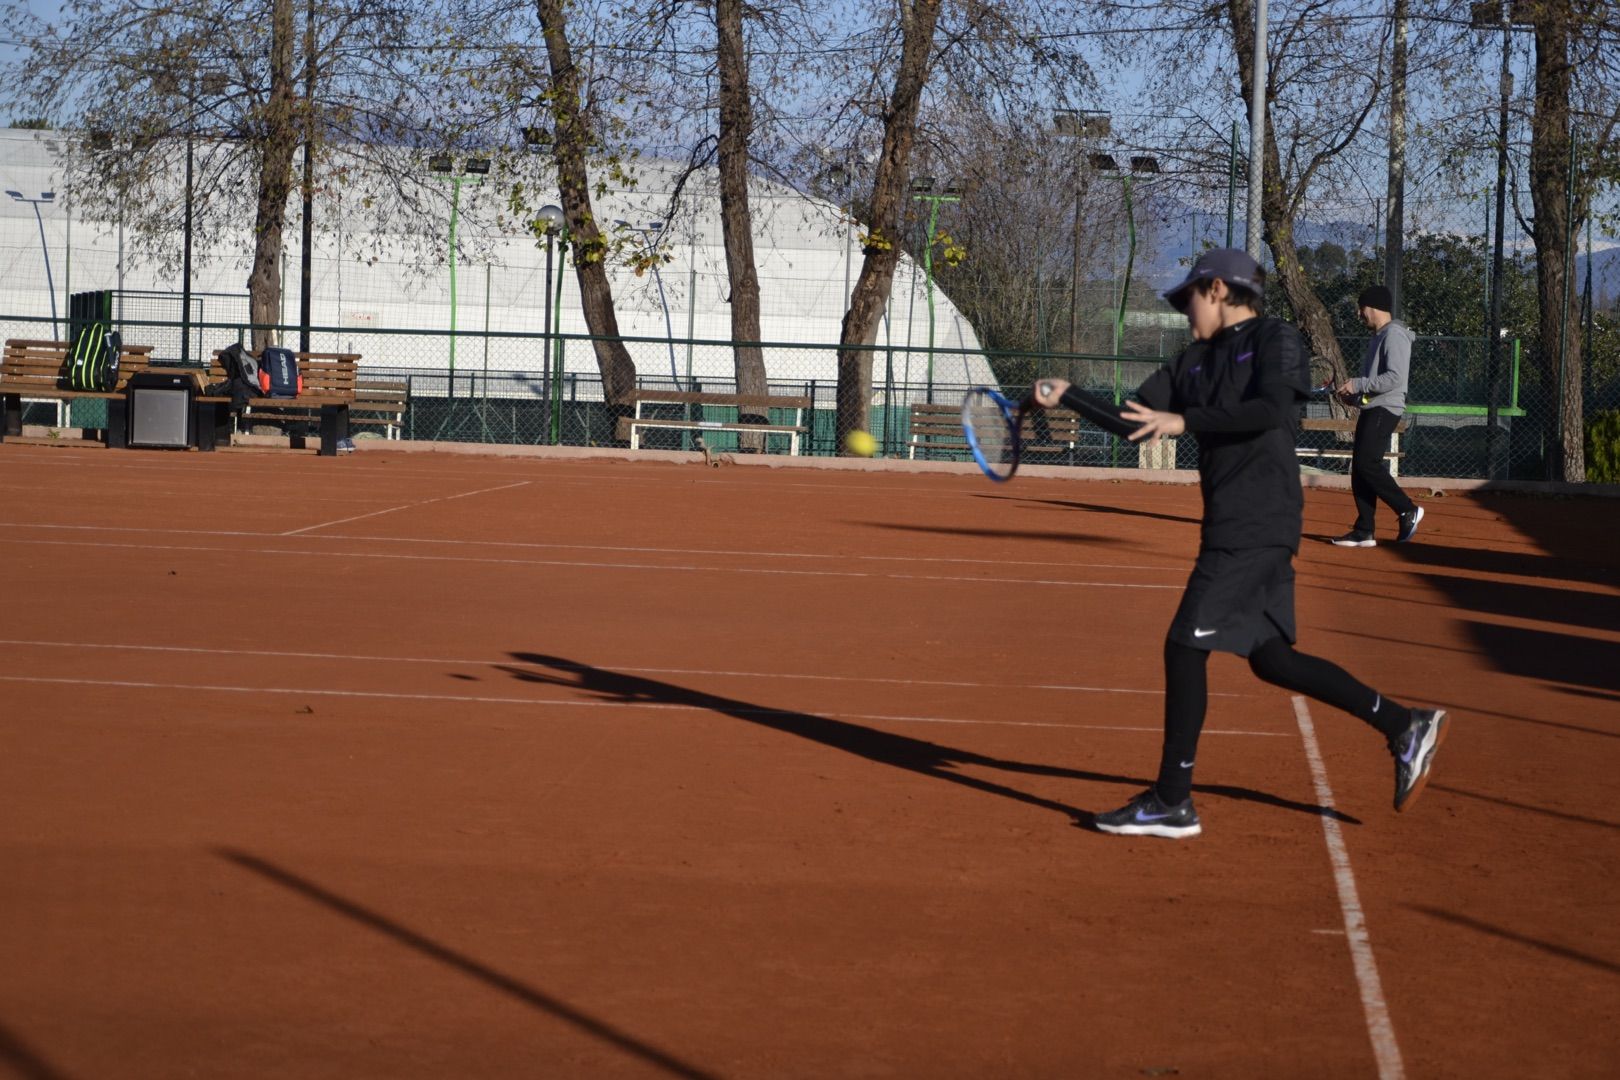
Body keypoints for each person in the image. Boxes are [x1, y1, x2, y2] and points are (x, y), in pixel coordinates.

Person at [1032, 249, 1448, 839]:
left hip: (1261, 519)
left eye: (1189, 298)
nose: (1184, 309)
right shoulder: (1192, 363)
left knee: (1183, 646)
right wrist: (1065, 393)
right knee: (1273, 659)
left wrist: (1186, 423)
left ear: (1221, 290)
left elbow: (1270, 408)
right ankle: (1405, 725)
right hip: (1232, 521)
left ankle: (1173, 799)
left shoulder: (1275, 340)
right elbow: (1135, 422)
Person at [1331, 285, 1423, 546]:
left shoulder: (1394, 334)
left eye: (1361, 309)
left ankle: (1407, 509)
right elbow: (1377, 382)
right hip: (1374, 407)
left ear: (1371, 307)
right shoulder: (1379, 337)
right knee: (1359, 470)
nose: (1360, 314)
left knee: (1366, 464)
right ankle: (1364, 530)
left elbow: (1395, 378)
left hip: (1386, 409)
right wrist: (1356, 397)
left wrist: (1358, 384)